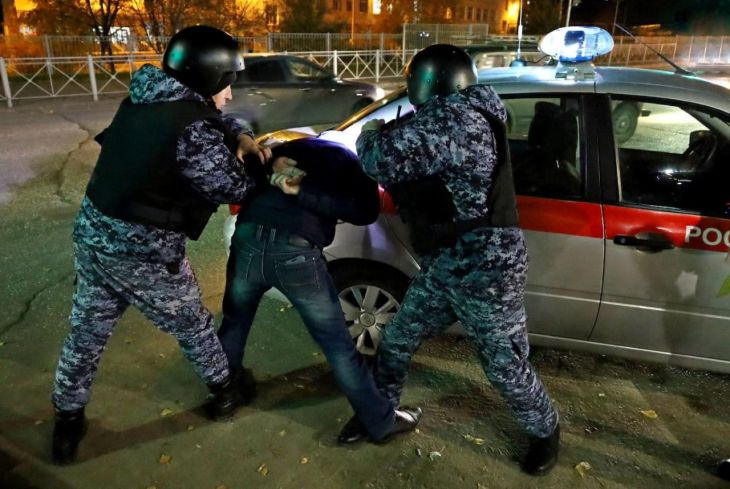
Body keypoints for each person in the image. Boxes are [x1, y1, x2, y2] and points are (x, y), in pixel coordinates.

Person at [50, 25, 271, 465]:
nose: (229, 93)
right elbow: (232, 186)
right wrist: (261, 166)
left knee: (85, 335)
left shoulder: (144, 98)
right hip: (144, 252)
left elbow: (204, 119)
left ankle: (67, 420)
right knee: (192, 325)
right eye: (226, 83)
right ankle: (225, 392)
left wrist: (240, 134)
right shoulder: (191, 128)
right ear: (207, 77)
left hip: (94, 237)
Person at [341, 44, 560, 475]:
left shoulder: (455, 119)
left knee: (503, 363)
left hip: (486, 268)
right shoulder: (469, 110)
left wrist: (370, 131)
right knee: (398, 338)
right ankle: (378, 413)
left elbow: (380, 160)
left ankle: (546, 430)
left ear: (428, 81)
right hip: (449, 261)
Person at [216, 137, 421, 443]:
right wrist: (308, 193)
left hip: (247, 240)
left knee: (234, 323)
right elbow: (364, 212)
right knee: (337, 344)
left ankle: (225, 396)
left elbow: (244, 181)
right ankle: (379, 423)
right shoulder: (352, 161)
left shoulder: (283, 150)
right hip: (295, 253)